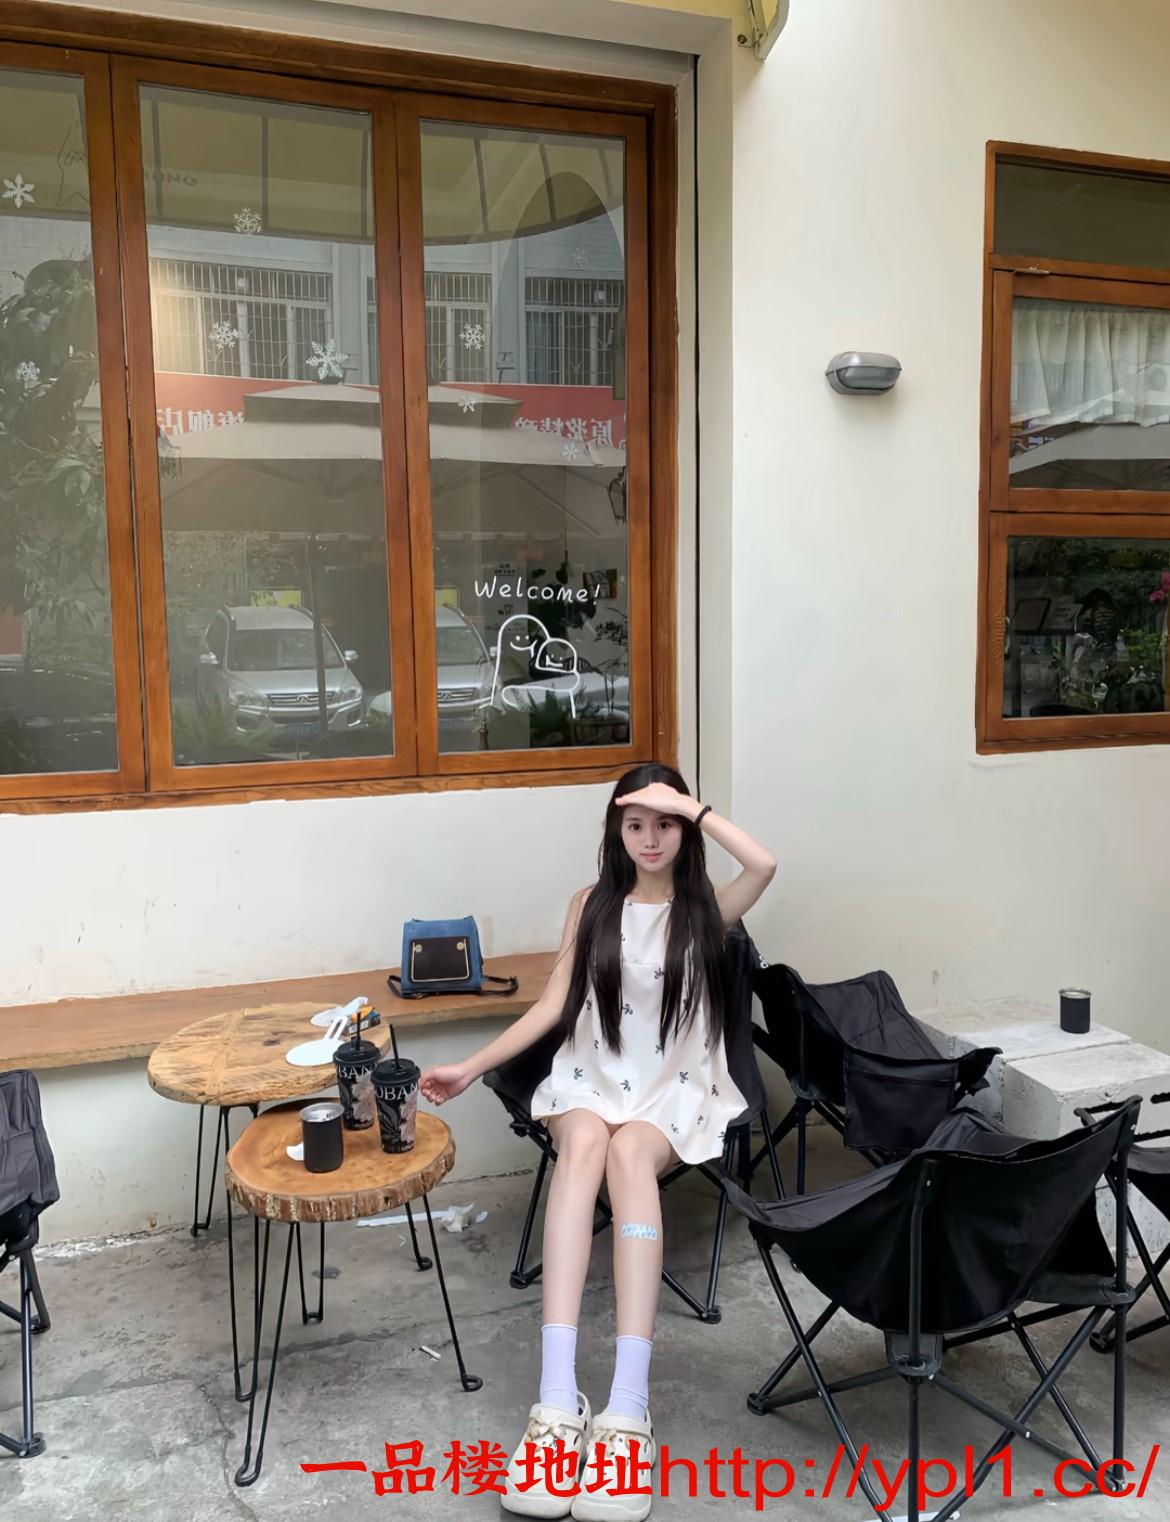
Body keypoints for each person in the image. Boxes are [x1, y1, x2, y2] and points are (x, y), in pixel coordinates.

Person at [419, 764, 777, 1521]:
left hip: (671, 1090)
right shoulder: (590, 906)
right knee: (584, 1143)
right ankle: (556, 1404)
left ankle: (627, 1412)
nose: (650, 838)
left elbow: (765, 864)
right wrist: (469, 1067)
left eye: (664, 824)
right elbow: (554, 1006)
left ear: (684, 828)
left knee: (627, 1154)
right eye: (635, 824)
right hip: (591, 1077)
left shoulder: (706, 910)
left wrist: (691, 806)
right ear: (615, 832)